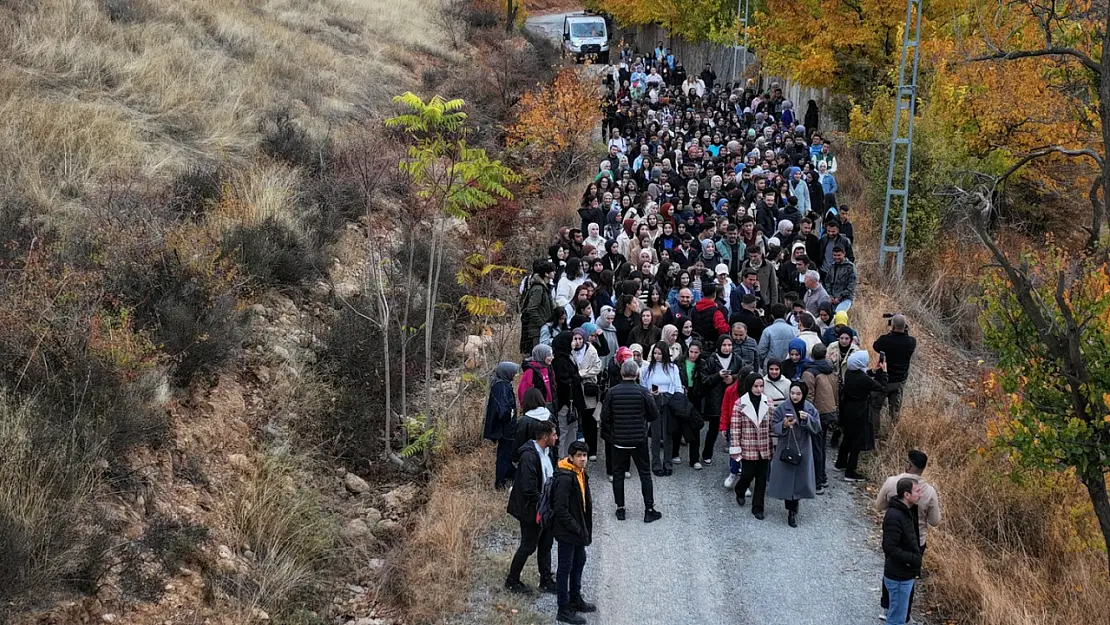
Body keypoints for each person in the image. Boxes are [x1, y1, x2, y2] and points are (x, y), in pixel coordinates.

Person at [877, 450, 942, 622]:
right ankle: (903, 613)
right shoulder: (928, 491)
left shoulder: (892, 482)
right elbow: (935, 521)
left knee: (891, 570)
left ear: (909, 464)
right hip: (917, 541)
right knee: (908, 578)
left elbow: (879, 505)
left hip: (894, 536)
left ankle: (887, 606)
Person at [601, 359, 663, 523]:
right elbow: (654, 415)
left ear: (621, 373)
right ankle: (649, 509)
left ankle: (620, 509)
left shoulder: (612, 392)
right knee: (645, 475)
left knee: (618, 474)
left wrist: (613, 432)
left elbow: (604, 417)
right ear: (637, 374)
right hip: (639, 440)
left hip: (619, 440)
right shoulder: (643, 392)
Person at [505, 419, 557, 594]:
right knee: (528, 545)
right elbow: (528, 489)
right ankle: (512, 580)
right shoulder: (529, 457)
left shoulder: (548, 452)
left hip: (546, 506)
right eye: (554, 434)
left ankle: (546, 580)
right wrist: (542, 506)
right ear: (545, 437)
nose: (556, 437)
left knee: (546, 543)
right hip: (531, 508)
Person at [550, 441, 597, 624]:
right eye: (579, 456)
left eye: (584, 455)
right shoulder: (565, 477)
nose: (583, 459)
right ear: (571, 457)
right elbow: (560, 509)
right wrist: (577, 529)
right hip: (567, 531)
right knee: (565, 568)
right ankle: (563, 608)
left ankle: (575, 598)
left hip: (577, 530)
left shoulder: (580, 473)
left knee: (579, 561)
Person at [767, 381, 821, 527]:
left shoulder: (810, 408)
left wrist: (807, 420)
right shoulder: (783, 407)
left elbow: (817, 428)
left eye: (798, 394)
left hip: (803, 447)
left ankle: (793, 508)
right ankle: (790, 506)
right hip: (786, 445)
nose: (795, 396)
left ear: (803, 394)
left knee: (799, 479)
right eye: (792, 393)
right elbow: (774, 425)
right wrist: (784, 425)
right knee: (786, 477)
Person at [835, 351, 888, 482]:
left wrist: (873, 371)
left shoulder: (849, 373)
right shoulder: (863, 379)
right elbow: (881, 387)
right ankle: (850, 471)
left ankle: (840, 463)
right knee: (856, 442)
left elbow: (863, 377)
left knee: (847, 437)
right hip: (859, 412)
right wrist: (884, 372)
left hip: (848, 410)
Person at [729, 372, 776, 518]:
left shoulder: (768, 402)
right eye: (756, 386)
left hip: (764, 444)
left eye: (761, 386)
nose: (759, 389)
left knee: (761, 477)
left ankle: (758, 507)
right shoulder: (739, 403)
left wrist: (774, 443)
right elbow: (735, 428)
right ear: (749, 386)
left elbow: (772, 424)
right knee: (748, 473)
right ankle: (740, 489)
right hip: (747, 445)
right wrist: (735, 447)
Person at [881, 477, 924, 625]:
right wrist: (912, 559)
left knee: (898, 616)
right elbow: (889, 547)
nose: (921, 494)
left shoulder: (907, 511)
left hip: (903, 574)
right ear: (906, 495)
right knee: (896, 620)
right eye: (917, 491)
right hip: (899, 577)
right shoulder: (895, 516)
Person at [640, 341, 684, 476]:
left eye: (660, 353)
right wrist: (649, 393)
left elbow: (678, 386)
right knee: (655, 435)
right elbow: (643, 387)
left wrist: (677, 400)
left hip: (669, 401)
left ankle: (668, 463)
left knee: (668, 434)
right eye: (655, 353)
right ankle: (656, 463)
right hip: (654, 401)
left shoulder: (672, 368)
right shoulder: (648, 368)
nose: (657, 356)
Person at [801, 344, 838, 494]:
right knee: (821, 447)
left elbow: (808, 396)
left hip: (816, 414)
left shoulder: (809, 373)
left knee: (815, 447)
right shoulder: (831, 370)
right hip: (829, 411)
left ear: (811, 355)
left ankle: (817, 482)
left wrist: (806, 415)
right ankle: (822, 477)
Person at [871, 314, 917, 426]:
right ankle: (893, 433)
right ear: (905, 326)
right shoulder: (911, 342)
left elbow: (875, 346)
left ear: (892, 326)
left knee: (875, 407)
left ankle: (875, 432)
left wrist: (890, 332)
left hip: (883, 380)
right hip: (899, 382)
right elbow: (905, 337)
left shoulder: (885, 340)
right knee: (895, 411)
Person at [483, 362, 520, 490]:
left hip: (505, 428)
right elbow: (503, 410)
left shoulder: (502, 384)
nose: (515, 375)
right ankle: (500, 482)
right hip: (505, 429)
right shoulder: (501, 387)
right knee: (504, 455)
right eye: (514, 373)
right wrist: (511, 414)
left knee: (507, 454)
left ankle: (511, 475)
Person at [552, 333, 587, 458]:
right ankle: (562, 459)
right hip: (566, 402)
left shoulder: (568, 356)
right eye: (572, 340)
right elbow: (564, 382)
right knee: (564, 431)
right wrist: (578, 377)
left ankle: (571, 457)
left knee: (573, 429)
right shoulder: (560, 361)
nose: (575, 343)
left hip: (573, 402)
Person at [573, 327, 604, 461]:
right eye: (576, 339)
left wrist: (582, 374)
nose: (578, 341)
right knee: (575, 418)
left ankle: (592, 450)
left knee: (590, 419)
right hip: (575, 388)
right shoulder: (570, 351)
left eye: (580, 339)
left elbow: (597, 367)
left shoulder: (591, 351)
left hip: (588, 387)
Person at [521, 261, 556, 353]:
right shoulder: (538, 289)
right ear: (546, 273)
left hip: (542, 329)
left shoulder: (544, 287)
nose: (554, 273)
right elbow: (531, 309)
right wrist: (542, 323)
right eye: (552, 271)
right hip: (537, 330)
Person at [824, 246, 857, 313]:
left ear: (844, 254)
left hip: (846, 298)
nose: (836, 257)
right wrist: (830, 295)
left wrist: (840, 297)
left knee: (838, 315)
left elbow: (851, 286)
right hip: (832, 298)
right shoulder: (832, 266)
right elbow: (827, 282)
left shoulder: (850, 267)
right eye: (834, 255)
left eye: (839, 255)